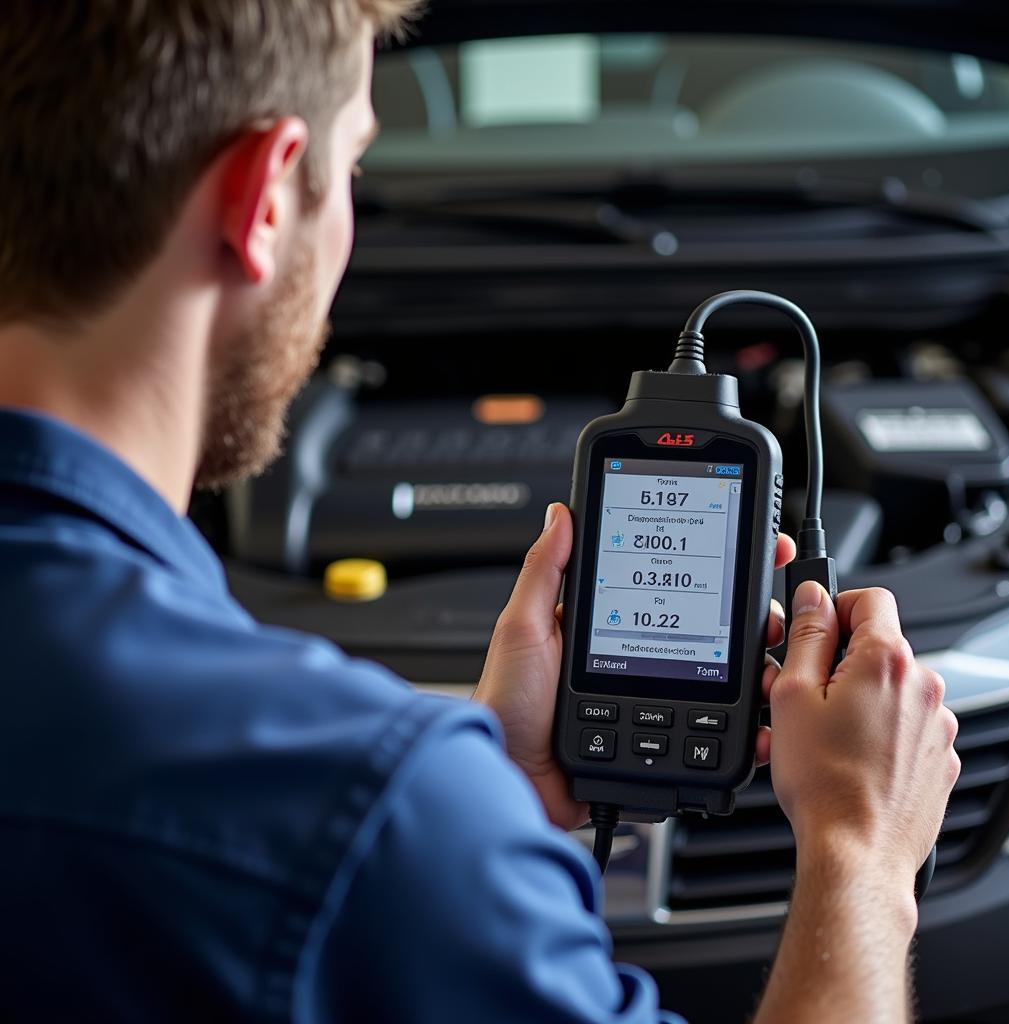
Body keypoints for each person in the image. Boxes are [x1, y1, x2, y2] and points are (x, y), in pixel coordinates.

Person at [0, 3, 960, 1022]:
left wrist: (489, 802)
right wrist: (862, 850)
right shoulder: (366, 809)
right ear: (263, 197)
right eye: (356, 165)